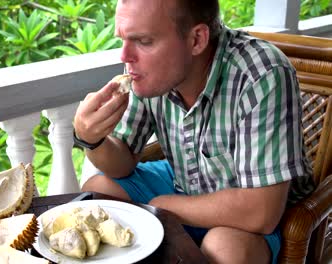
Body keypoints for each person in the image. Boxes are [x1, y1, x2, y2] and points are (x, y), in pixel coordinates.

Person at [73, 0, 315, 263]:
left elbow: (261, 212)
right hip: (183, 184)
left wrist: (161, 207)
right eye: (123, 39)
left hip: (259, 214)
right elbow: (121, 163)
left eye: (143, 41)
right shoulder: (149, 69)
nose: (125, 56)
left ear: (197, 39)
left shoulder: (261, 74)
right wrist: (91, 139)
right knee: (99, 191)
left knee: (225, 248)